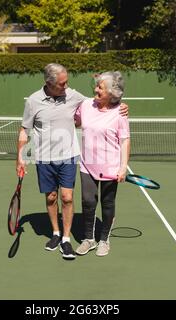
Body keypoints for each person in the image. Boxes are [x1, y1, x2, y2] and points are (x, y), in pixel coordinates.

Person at [16, 63, 128, 260]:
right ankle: (57, 234)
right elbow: (25, 129)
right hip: (44, 158)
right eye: (62, 83)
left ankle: (68, 238)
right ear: (49, 84)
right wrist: (21, 157)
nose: (67, 86)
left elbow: (102, 102)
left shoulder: (74, 96)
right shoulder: (33, 101)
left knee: (68, 197)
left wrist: (120, 105)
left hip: (69, 157)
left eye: (67, 81)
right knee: (52, 197)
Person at [74, 71, 130, 257]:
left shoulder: (120, 113)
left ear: (112, 93)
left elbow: (125, 141)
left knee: (107, 203)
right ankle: (88, 239)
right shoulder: (86, 105)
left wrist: (123, 167)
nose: (95, 89)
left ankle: (104, 240)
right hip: (87, 164)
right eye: (96, 85)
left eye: (100, 87)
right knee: (88, 202)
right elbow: (75, 121)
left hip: (110, 166)